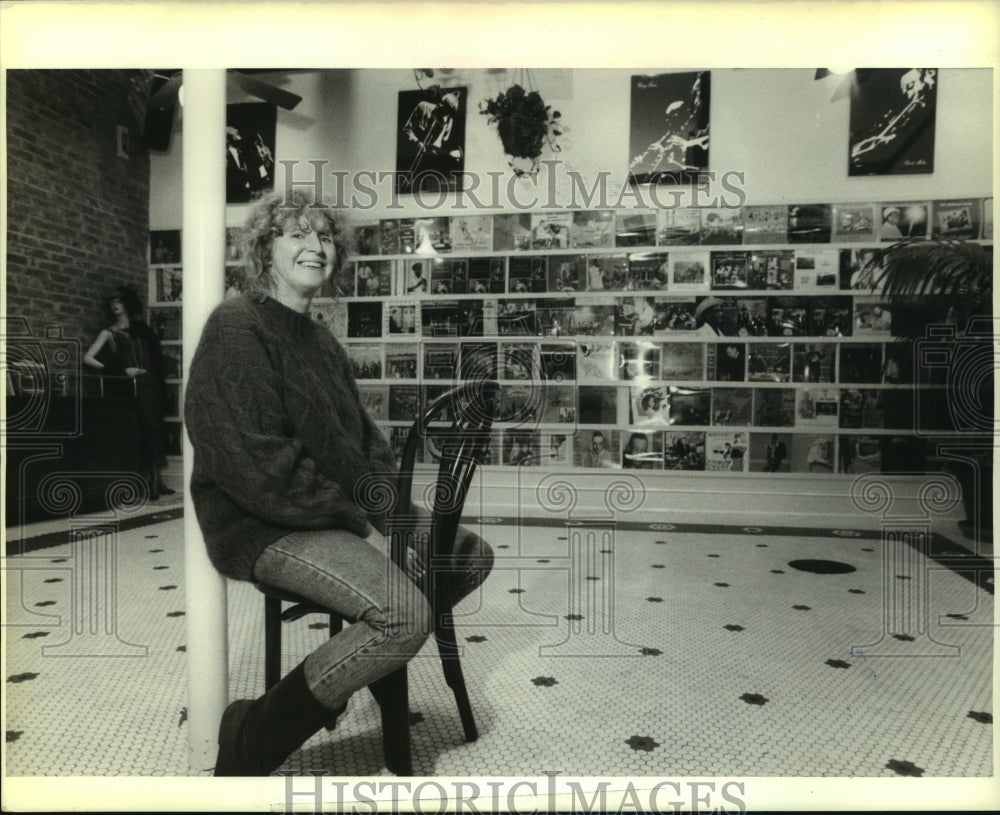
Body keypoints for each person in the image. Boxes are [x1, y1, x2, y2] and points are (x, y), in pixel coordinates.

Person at [184, 191, 494, 776]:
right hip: (261, 524)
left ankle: (371, 663)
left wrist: (391, 516)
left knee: (469, 555)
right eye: (296, 234)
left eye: (325, 236)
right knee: (404, 615)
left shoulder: (320, 339)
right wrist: (360, 526)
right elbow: (258, 469)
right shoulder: (236, 327)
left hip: (323, 512)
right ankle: (251, 735)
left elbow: (362, 446)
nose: (315, 247)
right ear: (263, 248)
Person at [83, 284, 173, 499]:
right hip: (131, 386)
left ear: (128, 303)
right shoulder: (109, 332)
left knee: (155, 428)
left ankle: (157, 480)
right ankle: (147, 482)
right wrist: (121, 370)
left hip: (151, 384)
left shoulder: (143, 329)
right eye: (112, 302)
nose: (115, 305)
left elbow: (156, 358)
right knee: (140, 429)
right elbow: (87, 358)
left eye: (119, 301)